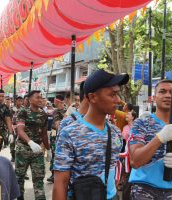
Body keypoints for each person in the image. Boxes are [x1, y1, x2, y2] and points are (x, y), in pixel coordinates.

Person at [53, 69, 129, 200]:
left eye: (118, 94)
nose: (118, 100)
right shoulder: (70, 133)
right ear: (93, 97)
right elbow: (61, 182)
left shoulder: (115, 132)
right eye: (112, 94)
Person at [128, 79, 172, 200]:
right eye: (163, 91)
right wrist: (159, 138)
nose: (167, 95)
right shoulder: (142, 123)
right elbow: (135, 161)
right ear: (155, 97)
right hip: (143, 189)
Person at [15, 90, 50, 200]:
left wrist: (49, 149)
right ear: (30, 100)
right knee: (19, 177)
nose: (40, 99)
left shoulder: (43, 114)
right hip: (23, 149)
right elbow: (20, 130)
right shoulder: (23, 112)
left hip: (37, 151)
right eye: (37, 97)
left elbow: (44, 134)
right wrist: (30, 142)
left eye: (41, 97)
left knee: (39, 178)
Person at [47, 94, 67, 183]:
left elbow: (57, 126)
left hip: (58, 136)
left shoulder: (58, 112)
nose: (53, 102)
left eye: (54, 100)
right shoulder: (67, 111)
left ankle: (56, 175)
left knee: (56, 155)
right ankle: (54, 174)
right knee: (56, 154)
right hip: (58, 135)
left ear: (58, 101)